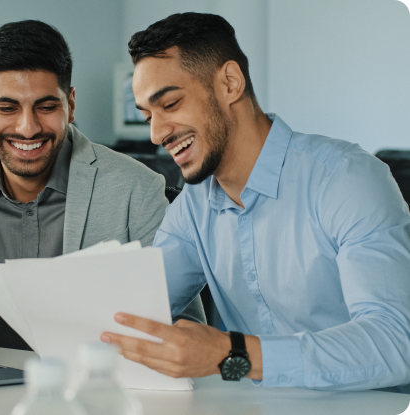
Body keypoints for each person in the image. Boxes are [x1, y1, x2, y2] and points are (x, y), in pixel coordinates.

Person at [101, 12, 410, 391]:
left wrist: (233, 354)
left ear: (230, 83)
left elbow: (396, 343)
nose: (155, 133)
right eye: (148, 115)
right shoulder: (193, 207)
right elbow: (132, 310)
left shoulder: (347, 179)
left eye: (170, 104)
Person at [0, 20, 206, 359]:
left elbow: (187, 329)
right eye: (7, 108)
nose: (28, 128)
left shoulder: (136, 189)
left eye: (46, 107)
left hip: (89, 395)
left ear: (71, 105)